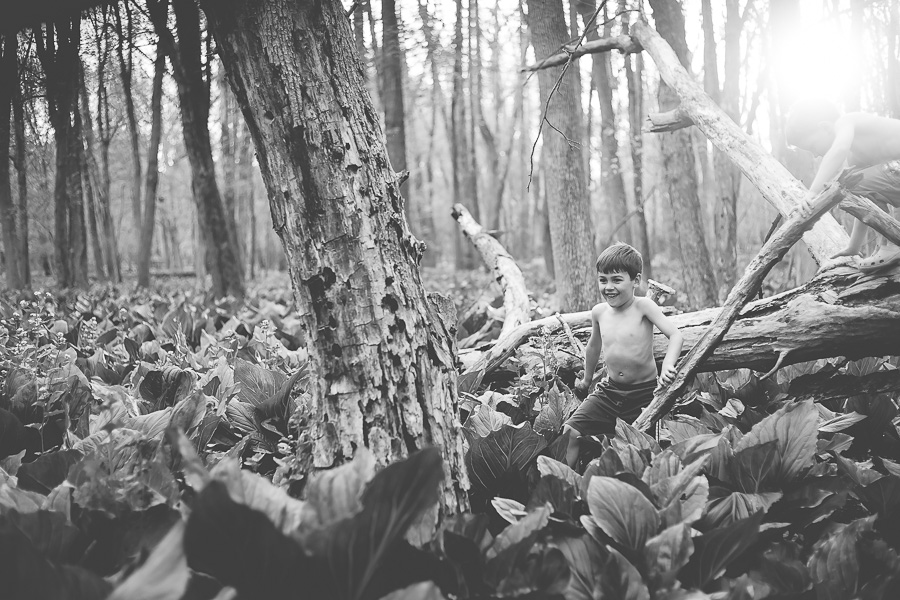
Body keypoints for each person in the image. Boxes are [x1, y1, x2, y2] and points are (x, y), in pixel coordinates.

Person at [563, 243, 684, 469]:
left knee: (642, 455)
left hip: (644, 394)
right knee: (570, 432)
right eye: (603, 280)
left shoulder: (644, 306)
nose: (609, 287)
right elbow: (593, 346)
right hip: (609, 392)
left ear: (636, 281)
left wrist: (668, 366)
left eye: (617, 280)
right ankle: (567, 487)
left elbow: (675, 335)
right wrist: (586, 380)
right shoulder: (599, 312)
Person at [785, 98, 900, 272]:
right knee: (853, 183)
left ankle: (889, 245)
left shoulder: (846, 121)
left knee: (850, 183)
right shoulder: (858, 156)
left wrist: (811, 193)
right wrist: (853, 247)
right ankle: (888, 243)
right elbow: (863, 202)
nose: (815, 155)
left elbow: (839, 149)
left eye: (812, 146)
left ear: (824, 127)